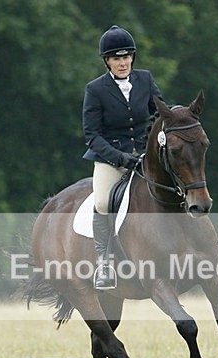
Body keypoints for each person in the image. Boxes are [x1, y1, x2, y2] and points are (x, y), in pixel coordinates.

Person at [82, 25, 164, 289]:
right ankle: (104, 262)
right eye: (116, 58)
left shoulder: (145, 79)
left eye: (126, 57)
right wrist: (120, 158)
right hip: (111, 158)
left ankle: (206, 245)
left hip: (145, 154)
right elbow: (92, 135)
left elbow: (160, 114)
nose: (122, 63)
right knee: (103, 202)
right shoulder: (95, 89)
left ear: (132, 57)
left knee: (180, 183)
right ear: (107, 61)